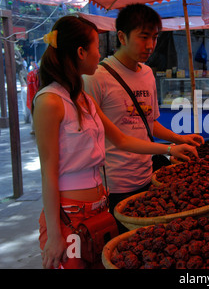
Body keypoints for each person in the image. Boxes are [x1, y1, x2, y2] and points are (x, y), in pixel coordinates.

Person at [33, 15, 197, 269]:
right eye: (97, 48)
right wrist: (54, 235)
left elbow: (121, 140)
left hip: (100, 208)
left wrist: (170, 148)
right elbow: (48, 173)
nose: (100, 55)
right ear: (80, 52)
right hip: (68, 214)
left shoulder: (83, 100)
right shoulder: (49, 101)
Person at [83, 3, 204, 233]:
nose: (150, 46)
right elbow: (109, 137)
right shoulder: (96, 78)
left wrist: (179, 139)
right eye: (143, 37)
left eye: (155, 37)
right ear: (122, 37)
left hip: (148, 177)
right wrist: (169, 150)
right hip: (114, 186)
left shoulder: (148, 73)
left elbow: (150, 123)